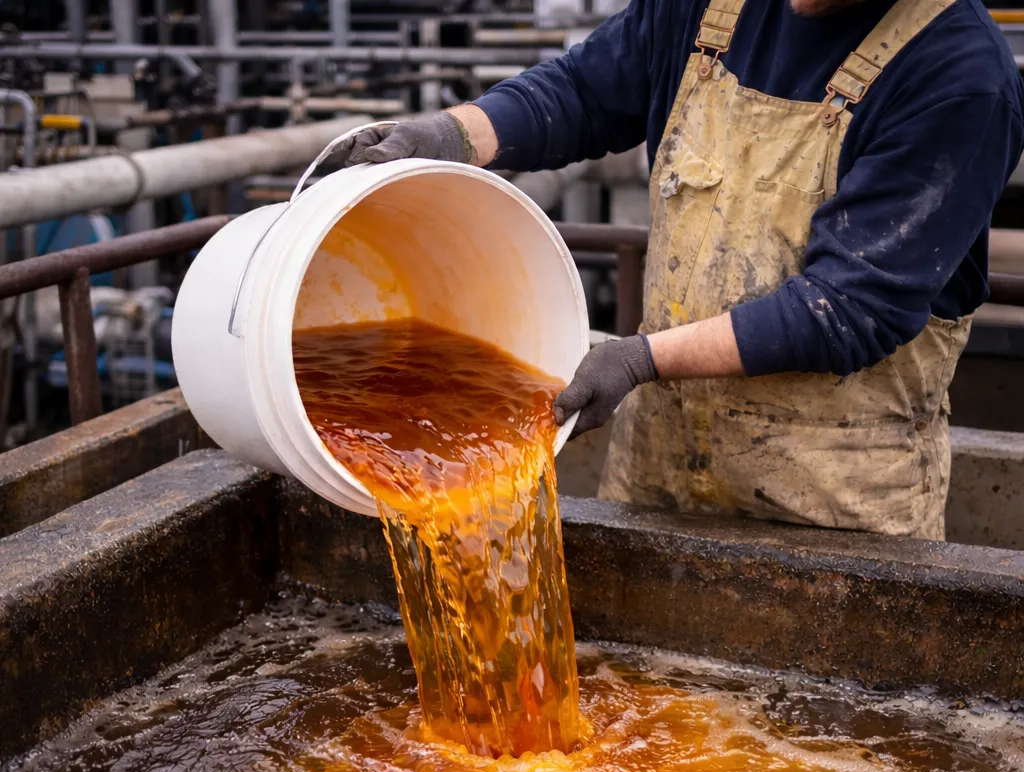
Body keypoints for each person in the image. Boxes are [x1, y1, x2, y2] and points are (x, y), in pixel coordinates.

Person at [335, 0, 1024, 540]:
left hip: (832, 506)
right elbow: (584, 92)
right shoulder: (704, 8)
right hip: (659, 474)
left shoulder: (958, 74)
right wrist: (453, 135)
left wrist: (639, 361)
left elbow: (845, 308)